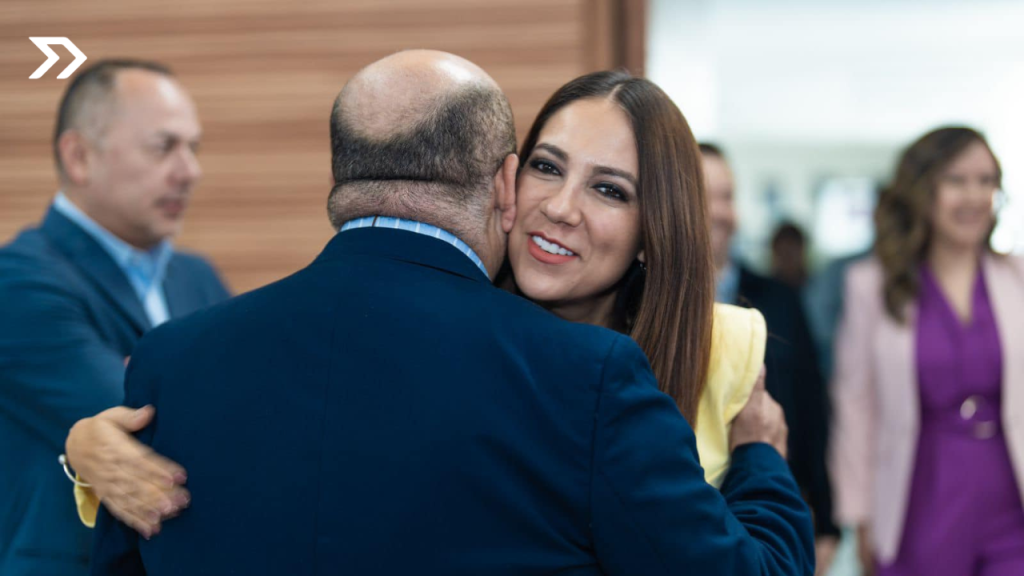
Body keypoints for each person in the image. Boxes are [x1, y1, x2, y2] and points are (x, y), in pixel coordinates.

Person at [87, 50, 813, 575]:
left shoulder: (174, 358)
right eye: (547, 166)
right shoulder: (581, 378)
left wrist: (757, 457)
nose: (560, 208)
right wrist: (82, 455)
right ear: (505, 180)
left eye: (610, 190)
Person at [0, 60, 230, 576]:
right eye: (163, 147)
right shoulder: (16, 283)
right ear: (79, 157)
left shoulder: (197, 277)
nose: (189, 170)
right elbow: (158, 433)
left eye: (193, 148)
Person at [830, 126, 1024, 576]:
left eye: (986, 180)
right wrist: (858, 517)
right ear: (923, 191)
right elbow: (855, 406)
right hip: (919, 496)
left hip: (1009, 496)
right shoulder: (872, 286)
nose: (974, 197)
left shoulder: (1017, 279)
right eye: (956, 180)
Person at [700, 143, 840, 570]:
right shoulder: (635, 302)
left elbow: (811, 409)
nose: (719, 211)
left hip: (771, 506)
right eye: (703, 196)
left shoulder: (779, 299)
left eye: (727, 196)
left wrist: (826, 521)